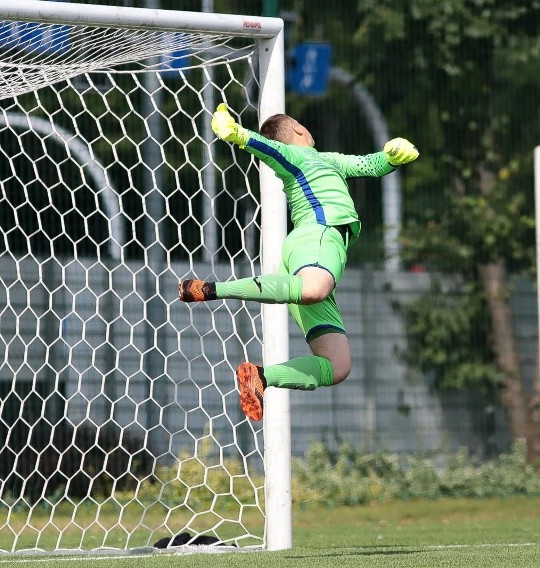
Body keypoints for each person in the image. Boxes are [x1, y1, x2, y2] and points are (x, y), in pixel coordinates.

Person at [179, 103, 419, 422]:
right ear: (298, 130)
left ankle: (261, 377)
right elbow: (271, 151)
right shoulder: (299, 155)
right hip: (317, 238)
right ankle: (208, 289)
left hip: (311, 257)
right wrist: (238, 135)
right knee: (314, 288)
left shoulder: (325, 160)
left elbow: (367, 164)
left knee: (337, 366)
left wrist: (390, 157)